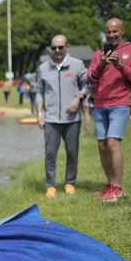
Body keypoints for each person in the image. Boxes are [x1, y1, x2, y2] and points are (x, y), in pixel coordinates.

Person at [87, 18, 131, 202]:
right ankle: (110, 184)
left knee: (112, 143)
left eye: (115, 31)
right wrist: (101, 64)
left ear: (122, 30)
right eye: (108, 32)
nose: (112, 35)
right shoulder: (98, 54)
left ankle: (118, 188)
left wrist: (120, 66)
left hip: (120, 103)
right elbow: (90, 80)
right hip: (100, 104)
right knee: (102, 145)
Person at [36, 35, 90, 198]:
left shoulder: (77, 65)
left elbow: (87, 84)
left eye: (60, 47)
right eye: (54, 48)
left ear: (67, 47)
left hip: (72, 119)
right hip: (51, 118)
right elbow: (39, 91)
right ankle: (51, 185)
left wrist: (78, 99)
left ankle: (69, 183)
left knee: (72, 152)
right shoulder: (44, 68)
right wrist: (39, 113)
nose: (57, 50)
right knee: (50, 153)